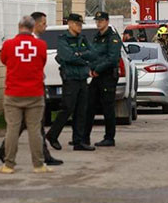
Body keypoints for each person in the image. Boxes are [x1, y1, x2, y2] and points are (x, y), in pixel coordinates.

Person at [0, 12, 63, 166]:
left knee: (13, 129)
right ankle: (39, 162)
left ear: (19, 27)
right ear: (33, 26)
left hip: (13, 91)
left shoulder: (8, 45)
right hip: (34, 91)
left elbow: (5, 60)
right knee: (35, 129)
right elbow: (41, 62)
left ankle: (8, 160)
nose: (45, 26)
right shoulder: (40, 45)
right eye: (43, 23)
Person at [46, 14, 96, 152]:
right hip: (70, 78)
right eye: (78, 24)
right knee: (67, 108)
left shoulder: (83, 39)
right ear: (70, 24)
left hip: (82, 78)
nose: (80, 27)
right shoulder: (63, 40)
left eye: (81, 24)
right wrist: (82, 58)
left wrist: (79, 55)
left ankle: (78, 141)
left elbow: (93, 53)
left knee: (81, 110)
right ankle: (52, 135)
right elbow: (66, 56)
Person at [84, 11, 121, 147]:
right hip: (96, 76)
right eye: (97, 21)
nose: (98, 23)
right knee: (89, 106)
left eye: (100, 21)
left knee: (107, 108)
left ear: (107, 21)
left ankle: (109, 137)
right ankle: (84, 137)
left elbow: (112, 59)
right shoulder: (96, 37)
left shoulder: (113, 38)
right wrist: (91, 68)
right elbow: (93, 54)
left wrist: (98, 70)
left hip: (107, 76)